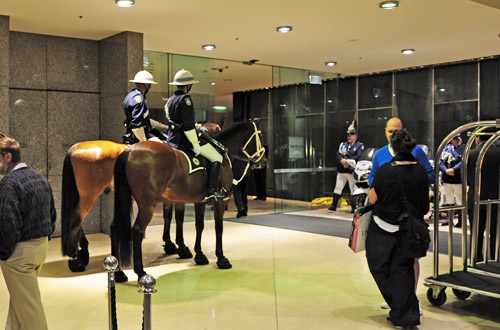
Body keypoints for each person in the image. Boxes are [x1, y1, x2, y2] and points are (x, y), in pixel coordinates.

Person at [369, 117, 434, 315]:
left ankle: (410, 299)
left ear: (404, 131)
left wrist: (407, 177)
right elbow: (373, 178)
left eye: (396, 131)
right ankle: (399, 300)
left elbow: (428, 175)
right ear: (385, 132)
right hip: (388, 216)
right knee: (391, 261)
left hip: (410, 218)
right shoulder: (380, 155)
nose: (393, 135)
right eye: (390, 131)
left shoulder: (417, 153)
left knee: (410, 260)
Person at [0, 137, 56, 330]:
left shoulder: (8, 184)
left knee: (30, 310)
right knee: (20, 304)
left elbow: (8, 224)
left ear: (8, 157)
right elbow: (52, 214)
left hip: (18, 255)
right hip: (40, 249)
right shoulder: (40, 178)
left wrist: (4, 254)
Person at [166, 69, 227, 203]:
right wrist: (195, 144)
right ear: (188, 86)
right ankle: (212, 192)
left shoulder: (171, 100)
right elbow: (187, 127)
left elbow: (174, 120)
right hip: (184, 140)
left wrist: (197, 125)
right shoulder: (186, 99)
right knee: (217, 157)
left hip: (171, 140)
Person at [467, 128, 500, 262]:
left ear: (478, 138)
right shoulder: (498, 153)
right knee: (495, 234)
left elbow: (467, 179)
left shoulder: (472, 153)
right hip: (496, 199)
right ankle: (495, 261)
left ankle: (475, 261)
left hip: (476, 198)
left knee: (476, 233)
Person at [329, 124, 364, 212]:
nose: (349, 137)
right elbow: (338, 154)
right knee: (338, 187)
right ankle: (334, 206)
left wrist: (347, 161)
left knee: (353, 189)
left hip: (351, 171)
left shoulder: (359, 145)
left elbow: (359, 156)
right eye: (348, 135)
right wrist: (342, 160)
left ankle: (353, 207)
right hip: (342, 170)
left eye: (351, 135)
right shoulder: (343, 145)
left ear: (355, 136)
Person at [122, 70, 164, 144]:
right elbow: (136, 124)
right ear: (146, 84)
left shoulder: (130, 95)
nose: (150, 88)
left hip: (131, 132)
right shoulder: (139, 98)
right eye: (150, 85)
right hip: (139, 136)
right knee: (164, 149)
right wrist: (143, 141)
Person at [439, 134, 465, 227]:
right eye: (455, 139)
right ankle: (449, 220)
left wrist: (454, 170)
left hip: (458, 179)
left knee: (459, 200)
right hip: (447, 178)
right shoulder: (446, 149)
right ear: (451, 140)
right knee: (448, 200)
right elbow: (440, 161)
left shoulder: (463, 148)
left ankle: (461, 221)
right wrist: (446, 170)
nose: (457, 141)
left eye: (458, 139)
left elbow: (463, 161)